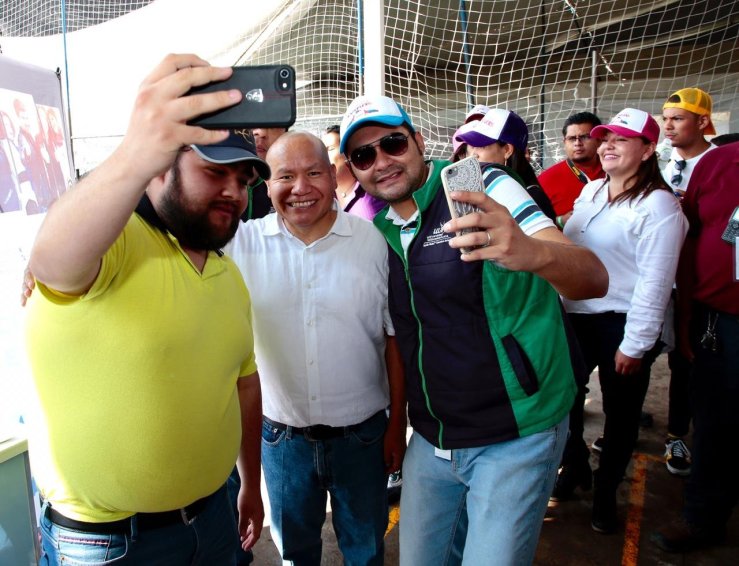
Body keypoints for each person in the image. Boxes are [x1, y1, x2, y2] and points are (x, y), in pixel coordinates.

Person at [339, 94, 608, 566]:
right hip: (434, 438)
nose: (381, 161)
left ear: (419, 140)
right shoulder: (377, 229)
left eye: (393, 143)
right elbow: (396, 338)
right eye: (364, 155)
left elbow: (592, 277)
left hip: (516, 433)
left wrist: (531, 252)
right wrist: (398, 424)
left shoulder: (481, 184)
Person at [24, 54, 265, 564]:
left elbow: (244, 383)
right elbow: (52, 261)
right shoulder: (115, 242)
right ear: (158, 168)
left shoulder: (228, 276)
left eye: (245, 180)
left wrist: (250, 482)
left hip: (214, 519)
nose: (234, 191)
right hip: (109, 545)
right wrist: (134, 154)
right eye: (215, 170)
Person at [227, 131, 406, 565]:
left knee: (366, 551)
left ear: (334, 174)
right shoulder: (239, 244)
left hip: (363, 437)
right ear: (266, 184)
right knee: (295, 553)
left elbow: (392, 339)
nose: (301, 188)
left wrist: (396, 423)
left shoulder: (371, 242)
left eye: (313, 173)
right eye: (285, 176)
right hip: (281, 440)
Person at [556, 108, 688, 534]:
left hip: (622, 322)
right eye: (606, 138)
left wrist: (636, 343)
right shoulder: (591, 191)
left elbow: (656, 281)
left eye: (622, 139)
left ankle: (607, 490)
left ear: (648, 150)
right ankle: (575, 465)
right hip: (576, 316)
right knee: (565, 401)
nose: (608, 145)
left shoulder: (659, 205)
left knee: (621, 414)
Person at [651, 141, 739, 553]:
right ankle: (703, 516)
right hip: (720, 321)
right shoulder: (719, 162)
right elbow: (689, 241)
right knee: (715, 422)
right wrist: (686, 315)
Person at [659, 87, 718, 477]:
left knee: (695, 361)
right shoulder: (665, 165)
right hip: (667, 278)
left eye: (678, 119)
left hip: (702, 282)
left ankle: (684, 435)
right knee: (661, 356)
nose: (669, 126)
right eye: (666, 119)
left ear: (702, 121)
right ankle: (662, 430)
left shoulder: (718, 164)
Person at [455, 108, 556, 221]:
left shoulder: (531, 197)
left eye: (481, 146)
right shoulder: (479, 189)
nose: (473, 155)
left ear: (507, 150)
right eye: (471, 146)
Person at [538, 112, 605, 227]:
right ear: (564, 142)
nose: (577, 143)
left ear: (599, 140)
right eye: (572, 138)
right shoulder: (545, 180)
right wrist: (560, 221)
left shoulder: (616, 172)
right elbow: (528, 224)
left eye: (584, 137)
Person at [322, 124, 385, 220]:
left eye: (330, 149)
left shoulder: (375, 191)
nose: (323, 156)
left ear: (348, 152)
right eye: (321, 151)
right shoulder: (323, 199)